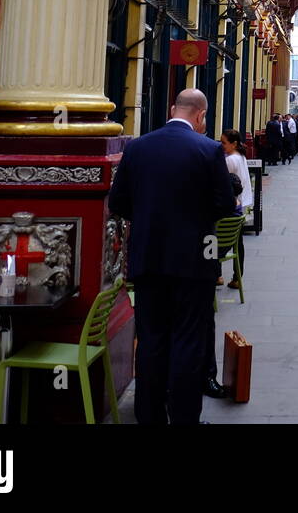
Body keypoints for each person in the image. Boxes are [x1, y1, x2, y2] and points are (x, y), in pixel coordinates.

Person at [107, 89, 235, 424]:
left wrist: (150, 215)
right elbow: (224, 204)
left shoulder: (136, 147)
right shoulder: (209, 150)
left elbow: (117, 202)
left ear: (171, 108)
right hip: (194, 262)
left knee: (150, 339)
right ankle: (184, 417)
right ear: (201, 116)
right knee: (188, 342)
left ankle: (149, 416)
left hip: (148, 259)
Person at [220, 130, 250, 289]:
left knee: (218, 238)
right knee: (238, 242)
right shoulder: (241, 156)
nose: (221, 145)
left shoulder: (230, 160)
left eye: (224, 142)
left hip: (232, 204)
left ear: (234, 143)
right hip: (241, 203)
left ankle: (218, 275)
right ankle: (237, 276)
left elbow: (222, 182)